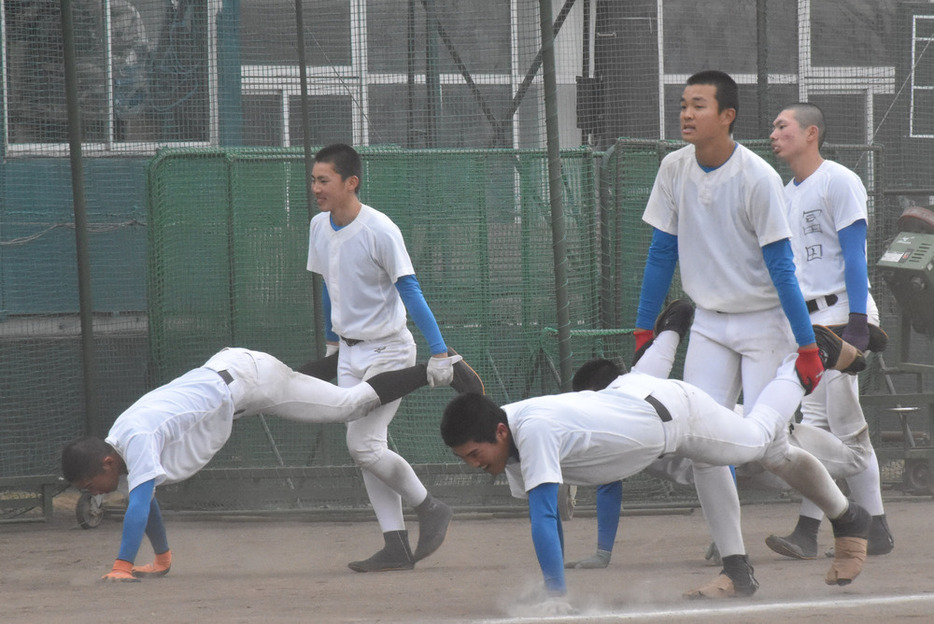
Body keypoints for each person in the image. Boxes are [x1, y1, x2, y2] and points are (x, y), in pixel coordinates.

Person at [440, 301, 871, 611]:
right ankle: (738, 570)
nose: (475, 464)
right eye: (466, 459)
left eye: (475, 454)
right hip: (633, 394)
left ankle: (806, 364)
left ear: (498, 432)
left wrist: (556, 594)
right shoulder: (505, 425)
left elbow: (545, 517)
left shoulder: (527, 429)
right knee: (685, 435)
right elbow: (550, 511)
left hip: (677, 416)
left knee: (762, 441)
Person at [632, 70, 825, 596]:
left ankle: (844, 510)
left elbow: (783, 270)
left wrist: (807, 345)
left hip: (765, 322)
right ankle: (737, 568)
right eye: (682, 105)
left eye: (698, 105)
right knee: (702, 447)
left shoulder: (757, 178)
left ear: (727, 116)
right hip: (710, 324)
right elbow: (660, 254)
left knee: (770, 449)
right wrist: (644, 328)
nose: (686, 114)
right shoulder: (674, 168)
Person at [61, 347, 477, 582]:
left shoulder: (134, 437)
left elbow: (138, 504)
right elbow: (143, 498)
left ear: (106, 462)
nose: (91, 492)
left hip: (248, 382)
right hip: (236, 378)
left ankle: (439, 371)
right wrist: (163, 559)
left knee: (350, 406)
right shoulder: (121, 441)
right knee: (310, 390)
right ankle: (340, 359)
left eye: (88, 484)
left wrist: (121, 566)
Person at [306, 143, 478, 572]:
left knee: (361, 443)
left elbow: (410, 290)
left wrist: (438, 351)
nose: (316, 188)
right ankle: (396, 545)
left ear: (351, 182)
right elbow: (329, 287)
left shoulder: (380, 230)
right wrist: (331, 346)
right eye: (313, 180)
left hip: (390, 349)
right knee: (367, 449)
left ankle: (430, 507)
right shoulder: (318, 227)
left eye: (323, 180)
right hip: (349, 353)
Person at [765, 102, 894, 559]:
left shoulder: (839, 179)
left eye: (783, 126)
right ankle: (841, 528)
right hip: (809, 321)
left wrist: (858, 324)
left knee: (842, 425)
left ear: (811, 132)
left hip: (844, 313)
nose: (774, 133)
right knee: (819, 424)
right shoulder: (784, 192)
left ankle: (866, 526)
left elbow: (855, 254)